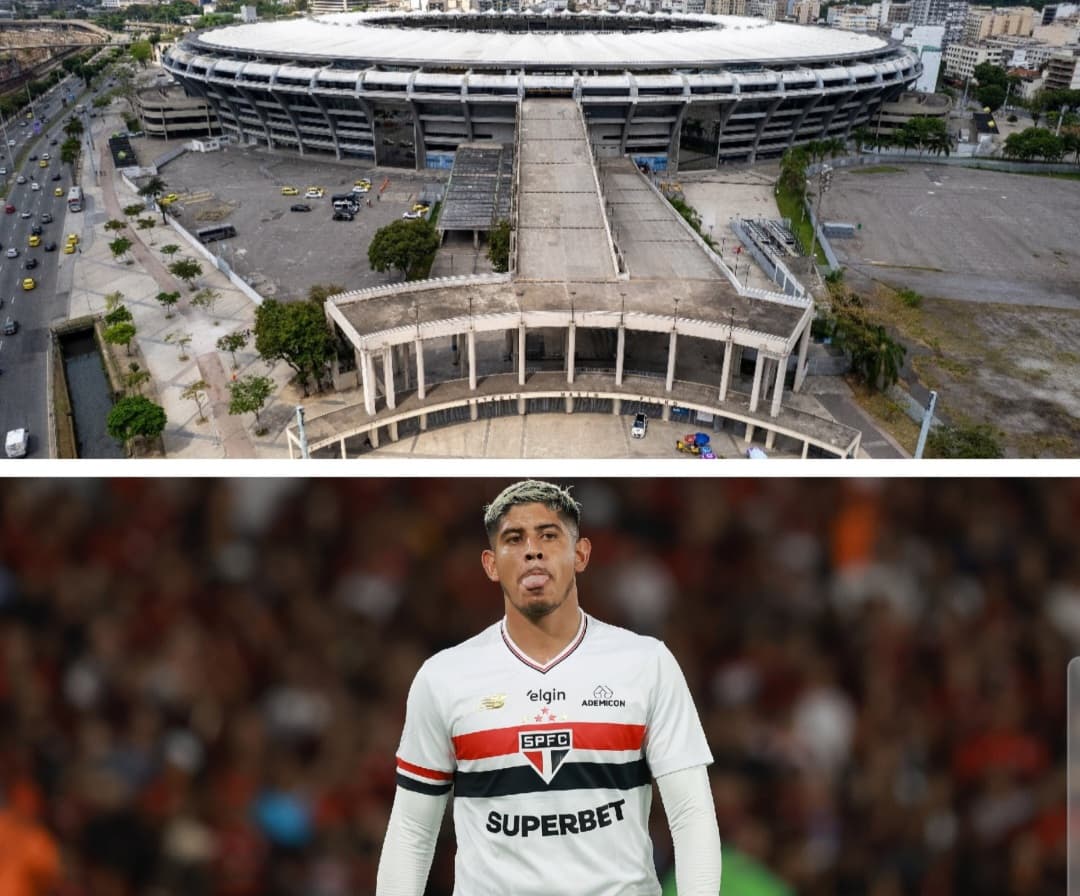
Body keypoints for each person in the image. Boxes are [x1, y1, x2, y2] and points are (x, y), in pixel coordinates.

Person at [375, 480, 722, 896]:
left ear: (580, 554)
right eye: (514, 538)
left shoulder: (646, 664)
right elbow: (412, 830)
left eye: (549, 536)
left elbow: (691, 813)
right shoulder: (445, 677)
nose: (532, 550)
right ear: (489, 564)